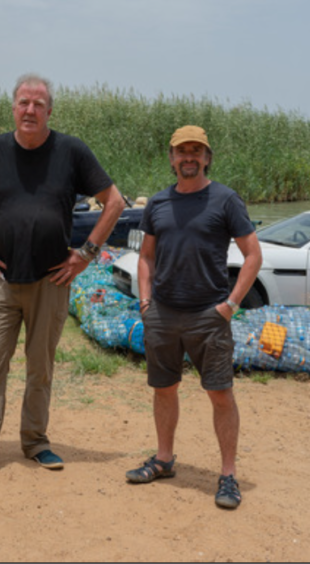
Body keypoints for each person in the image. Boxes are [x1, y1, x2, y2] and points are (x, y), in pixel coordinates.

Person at [0, 73, 125, 479]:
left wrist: (86, 254)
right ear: (13, 107)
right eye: (23, 102)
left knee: (40, 366)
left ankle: (36, 442)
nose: (30, 110)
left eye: (38, 104)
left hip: (51, 280)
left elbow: (114, 201)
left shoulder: (71, 151)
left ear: (49, 111)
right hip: (1, 278)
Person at [124, 125, 262, 510]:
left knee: (220, 394)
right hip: (163, 314)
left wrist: (230, 305)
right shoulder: (157, 203)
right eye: (181, 151)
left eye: (196, 151)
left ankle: (229, 475)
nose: (188, 157)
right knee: (164, 389)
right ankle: (164, 460)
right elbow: (146, 256)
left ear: (207, 157)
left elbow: (252, 255)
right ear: (171, 158)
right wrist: (146, 303)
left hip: (209, 315)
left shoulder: (225, 200)